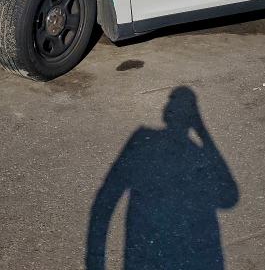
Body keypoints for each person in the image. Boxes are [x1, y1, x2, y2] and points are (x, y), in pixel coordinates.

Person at [86, 87, 239, 270]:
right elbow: (229, 197)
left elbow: (105, 200)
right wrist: (201, 130)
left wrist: (95, 261)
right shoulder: (148, 141)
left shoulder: (143, 140)